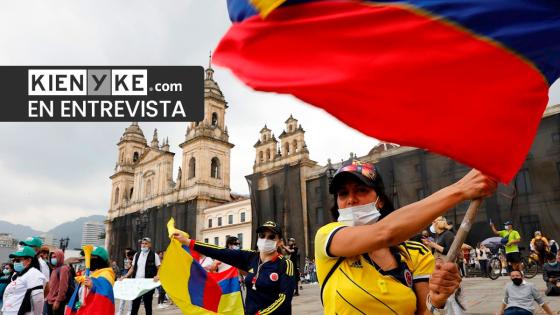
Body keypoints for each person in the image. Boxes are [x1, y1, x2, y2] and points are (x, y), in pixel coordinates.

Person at [315, 160, 496, 314]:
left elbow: (426, 311)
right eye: (343, 193)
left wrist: (438, 301)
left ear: (381, 201)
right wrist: (460, 189)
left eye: (361, 190)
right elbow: (384, 233)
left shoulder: (414, 254)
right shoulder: (326, 237)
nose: (351, 199)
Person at [173, 220, 296, 315]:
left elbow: (284, 299)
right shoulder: (251, 257)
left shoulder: (284, 264)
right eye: (262, 235)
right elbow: (219, 252)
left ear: (280, 242)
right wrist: (188, 241)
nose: (265, 240)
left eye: (271, 237)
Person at [2, 246, 47, 315]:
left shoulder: (33, 273)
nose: (15, 263)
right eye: (14, 260)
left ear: (29, 260)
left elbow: (38, 299)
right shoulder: (20, 274)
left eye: (18, 260)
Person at [70, 247, 115, 314]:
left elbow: (105, 297)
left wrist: (92, 286)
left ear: (99, 260)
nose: (87, 260)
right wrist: (76, 309)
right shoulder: (89, 274)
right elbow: (80, 298)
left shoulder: (106, 275)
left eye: (90, 257)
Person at [122, 237, 160, 315]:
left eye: (146, 243)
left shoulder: (154, 255)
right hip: (137, 283)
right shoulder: (137, 255)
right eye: (142, 243)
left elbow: (159, 268)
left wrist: (157, 275)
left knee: (147, 304)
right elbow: (132, 268)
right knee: (135, 304)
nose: (144, 245)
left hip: (148, 283)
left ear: (150, 245)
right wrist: (125, 276)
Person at [45, 249, 72, 315]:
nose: (52, 259)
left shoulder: (63, 269)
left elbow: (63, 286)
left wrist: (58, 301)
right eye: (51, 257)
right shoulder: (55, 269)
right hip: (50, 301)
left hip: (56, 302)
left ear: (60, 257)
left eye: (55, 257)